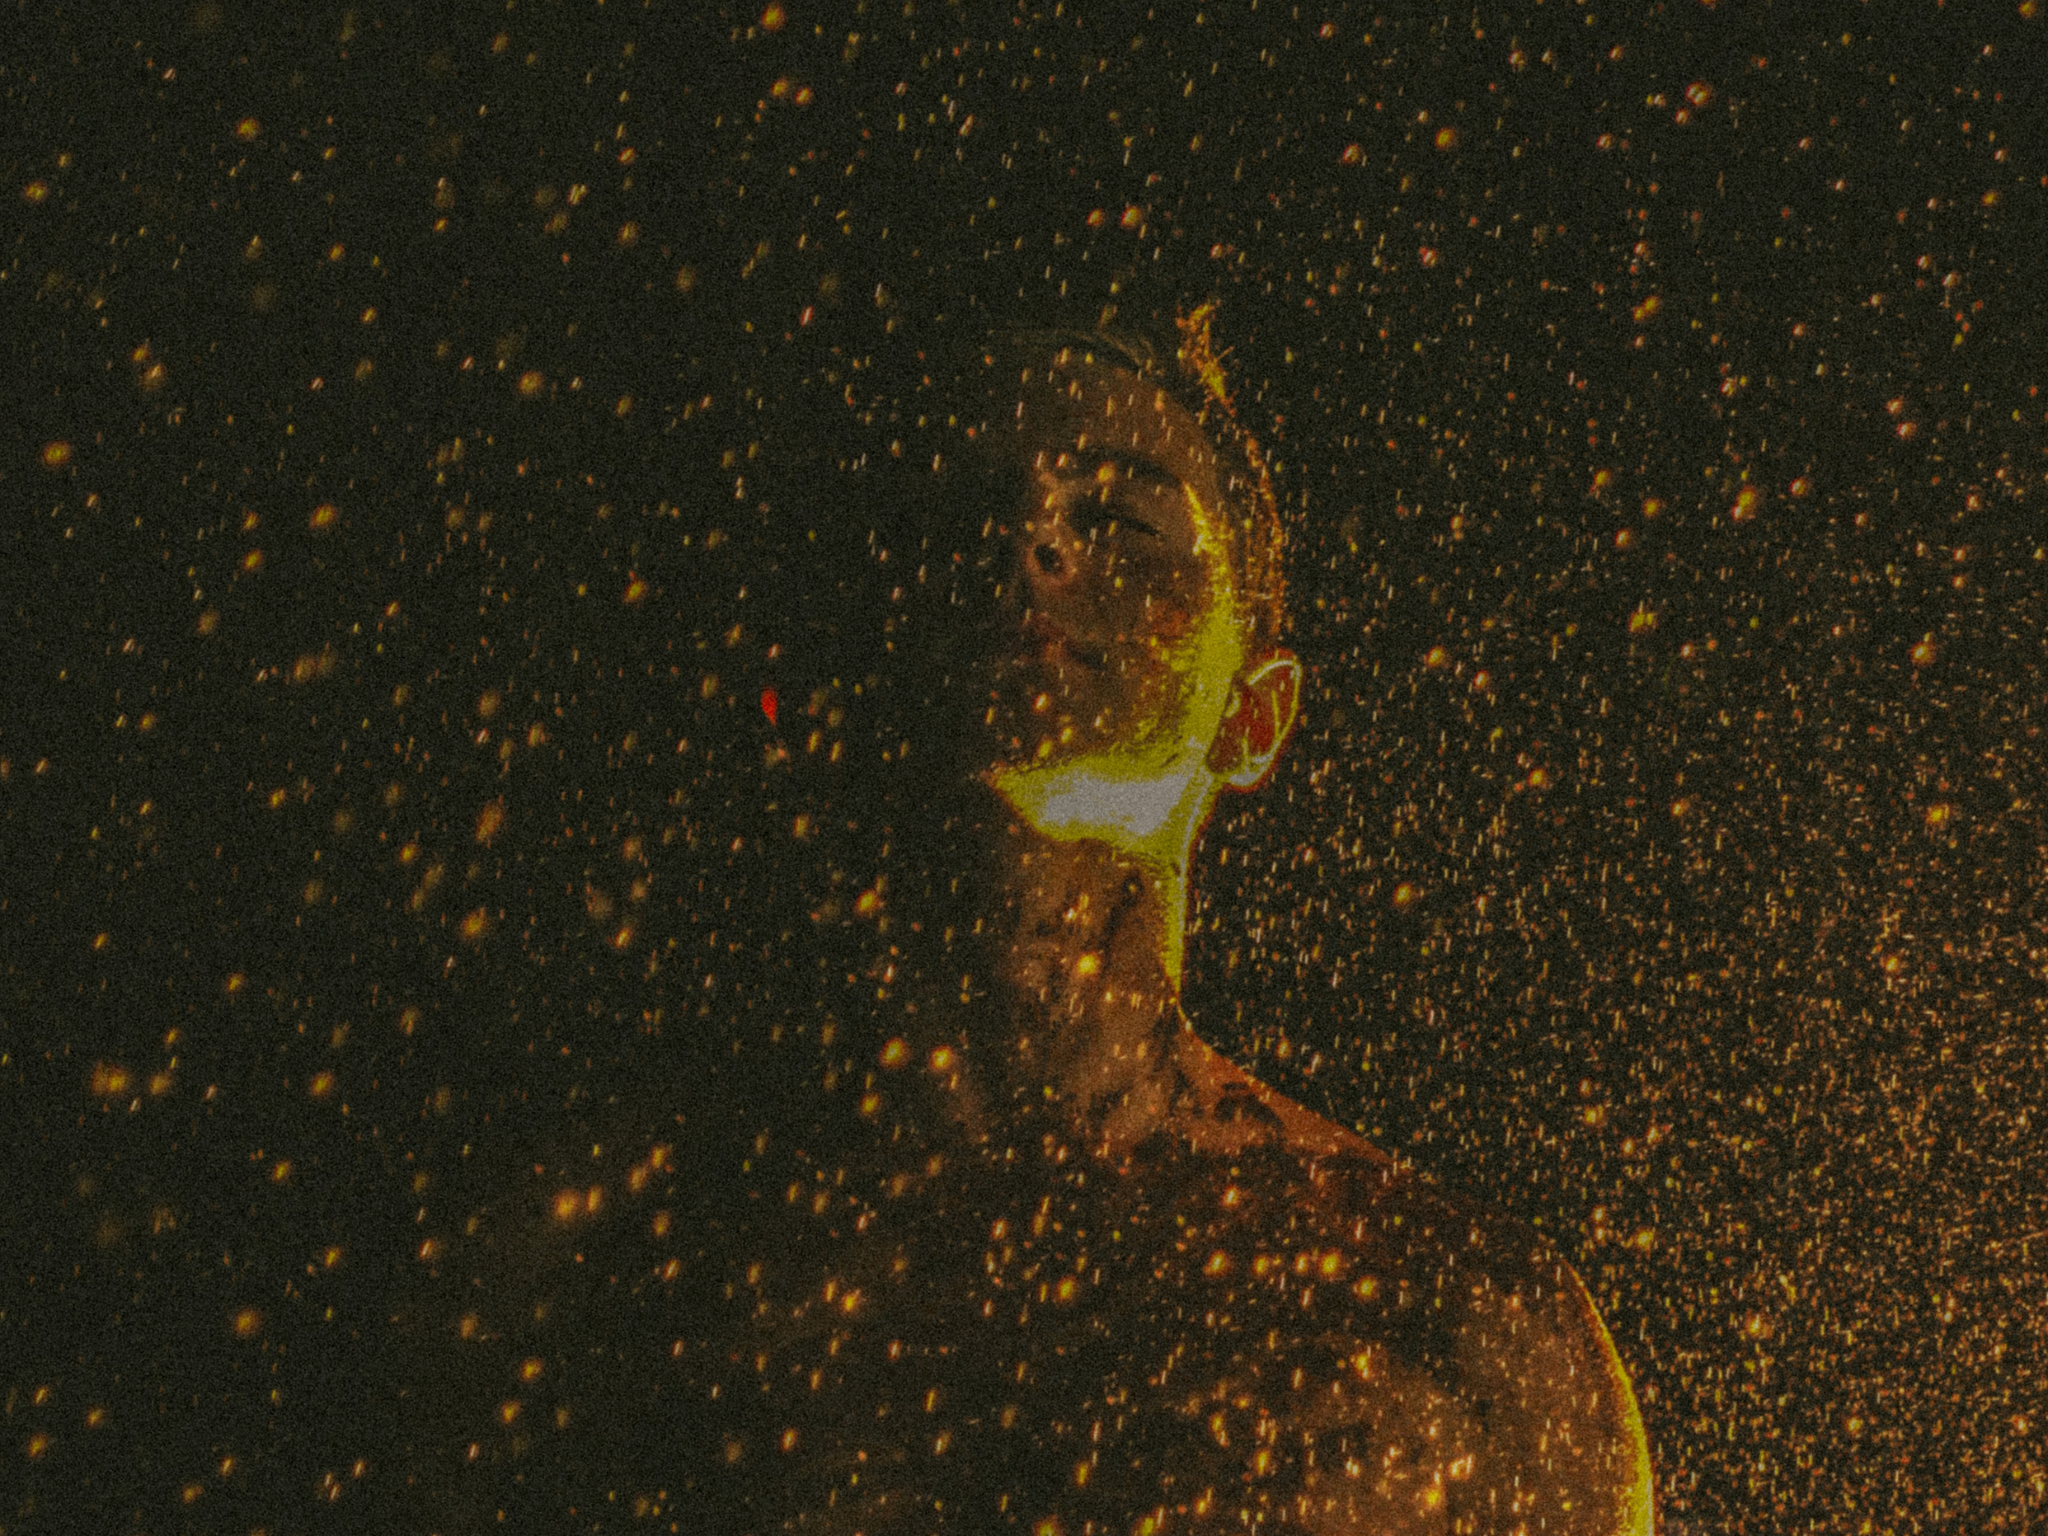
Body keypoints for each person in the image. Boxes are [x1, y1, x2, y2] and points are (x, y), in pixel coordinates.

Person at [683, 300, 1656, 1534]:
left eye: (1117, 518)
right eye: (950, 514)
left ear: (1252, 713)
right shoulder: (618, 1278)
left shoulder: (1451, 1313)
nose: (1031, 541)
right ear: (808, 677)